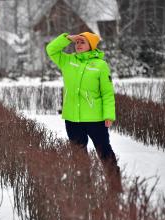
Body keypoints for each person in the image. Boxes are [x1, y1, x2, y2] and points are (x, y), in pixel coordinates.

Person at [45, 32, 122, 191]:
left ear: (91, 45)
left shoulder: (100, 65)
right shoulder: (67, 61)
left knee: (103, 150)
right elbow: (51, 49)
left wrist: (109, 115)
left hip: (95, 119)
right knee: (78, 154)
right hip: (72, 118)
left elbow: (107, 93)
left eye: (82, 42)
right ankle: (84, 185)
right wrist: (66, 38)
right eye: (77, 42)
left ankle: (115, 185)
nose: (78, 44)